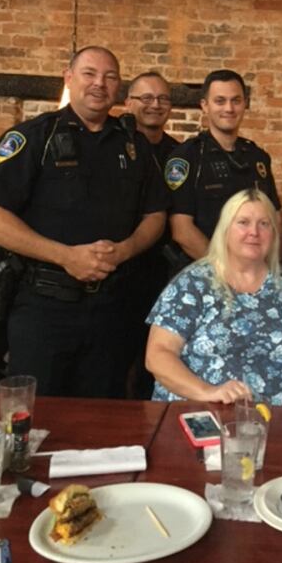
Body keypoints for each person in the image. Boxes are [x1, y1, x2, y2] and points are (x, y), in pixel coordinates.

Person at [0, 46, 168, 398]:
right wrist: (65, 256)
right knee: (36, 417)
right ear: (68, 78)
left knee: (103, 418)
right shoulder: (34, 137)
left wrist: (126, 249)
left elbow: (155, 213)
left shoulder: (134, 146)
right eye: (89, 74)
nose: (100, 83)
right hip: (44, 308)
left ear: (119, 88)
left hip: (113, 309)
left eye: (110, 77)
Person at [145, 188, 282, 405]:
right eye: (243, 222)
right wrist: (208, 392)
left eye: (264, 224)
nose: (254, 232)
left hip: (281, 422)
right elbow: (158, 355)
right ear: (225, 229)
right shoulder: (193, 284)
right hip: (203, 416)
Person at [165, 69, 282, 271]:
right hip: (205, 273)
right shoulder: (186, 157)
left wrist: (271, 267)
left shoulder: (257, 158)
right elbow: (182, 230)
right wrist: (227, 270)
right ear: (205, 106)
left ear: (245, 104)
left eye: (236, 100)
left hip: (254, 273)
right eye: (220, 101)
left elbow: (274, 218)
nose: (229, 108)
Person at [124, 71, 177, 398]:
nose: (154, 105)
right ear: (128, 102)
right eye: (146, 98)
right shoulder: (116, 146)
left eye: (162, 99)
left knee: (156, 357)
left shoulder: (180, 153)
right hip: (121, 268)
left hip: (164, 272)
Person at [125, 71, 177, 170]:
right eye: (147, 98)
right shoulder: (114, 148)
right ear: (129, 104)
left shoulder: (178, 154)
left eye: (163, 98)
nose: (156, 105)